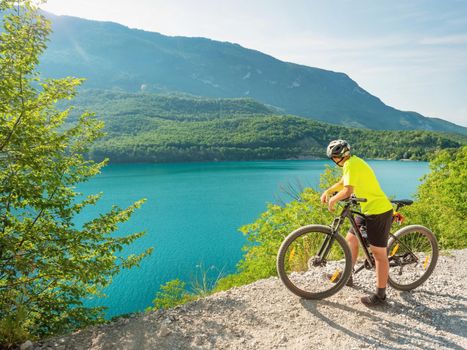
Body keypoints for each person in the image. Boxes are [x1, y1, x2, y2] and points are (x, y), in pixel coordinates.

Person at [320, 140, 393, 306]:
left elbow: (347, 190)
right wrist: (329, 190)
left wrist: (333, 200)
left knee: (378, 253)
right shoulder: (351, 163)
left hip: (379, 211)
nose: (335, 160)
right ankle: (348, 276)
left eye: (335, 157)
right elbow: (343, 183)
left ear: (339, 157)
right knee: (351, 240)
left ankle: (380, 296)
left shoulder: (352, 164)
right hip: (367, 208)